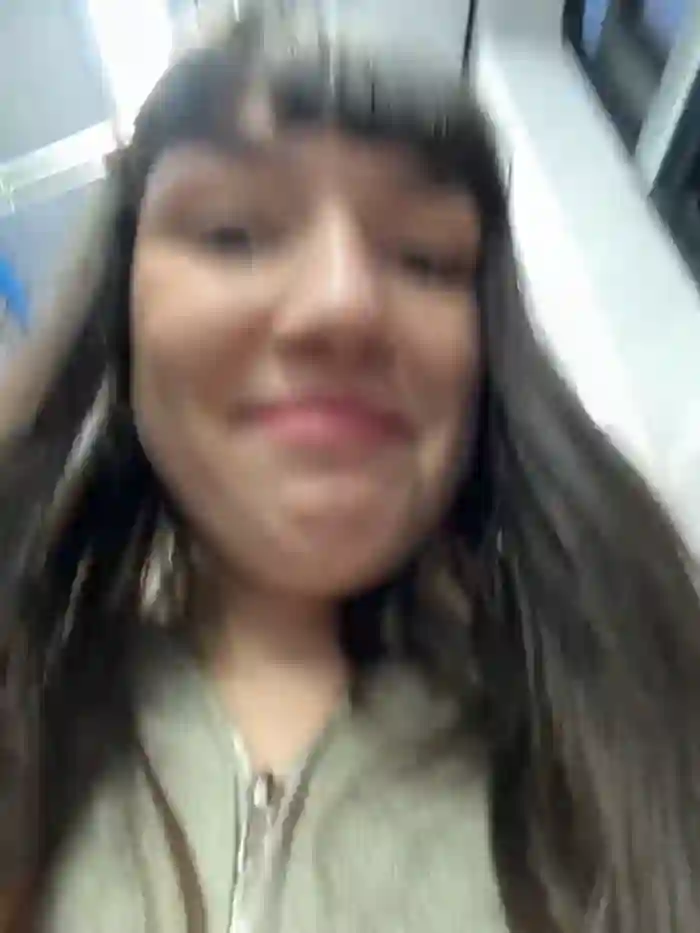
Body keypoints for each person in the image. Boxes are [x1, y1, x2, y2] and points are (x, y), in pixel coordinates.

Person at [1, 6, 699, 932]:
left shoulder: (639, 739)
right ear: (121, 317)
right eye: (234, 235)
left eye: (426, 259)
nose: (344, 304)